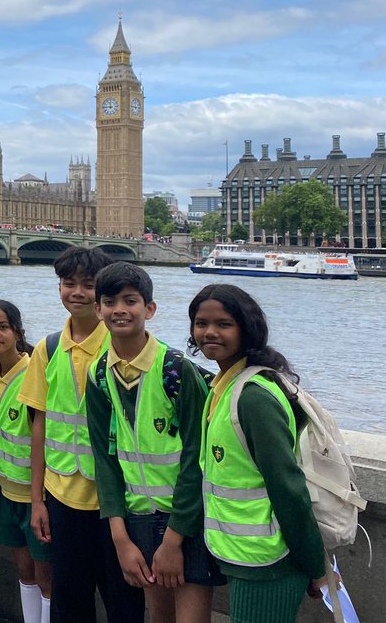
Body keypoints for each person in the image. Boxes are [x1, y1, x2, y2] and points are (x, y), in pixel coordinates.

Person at [86, 263, 217, 623]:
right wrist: (120, 538)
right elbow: (105, 459)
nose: (120, 310)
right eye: (110, 302)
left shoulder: (176, 370)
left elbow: (197, 458)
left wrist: (174, 539)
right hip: (137, 519)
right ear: (98, 310)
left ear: (150, 309)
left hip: (185, 519)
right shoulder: (99, 375)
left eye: (131, 301)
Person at [18, 247, 143, 623]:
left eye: (87, 285)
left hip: (117, 502)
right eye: (67, 283)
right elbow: (39, 424)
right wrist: (36, 499)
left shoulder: (124, 345)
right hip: (62, 497)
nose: (76, 292)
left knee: (123, 602)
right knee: (69, 603)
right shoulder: (49, 348)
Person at [189, 284, 327, 622]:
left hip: (269, 561)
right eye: (201, 323)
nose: (210, 332)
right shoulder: (222, 387)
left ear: (246, 329)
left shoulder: (252, 397)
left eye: (223, 324)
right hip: (243, 556)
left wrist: (317, 567)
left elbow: (288, 489)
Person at [0, 299, 53, 623]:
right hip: (6, 491)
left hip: (34, 495)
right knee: (24, 568)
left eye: (3, 327)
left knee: (45, 573)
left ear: (18, 333)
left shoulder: (32, 375)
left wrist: (40, 498)